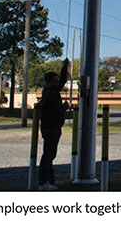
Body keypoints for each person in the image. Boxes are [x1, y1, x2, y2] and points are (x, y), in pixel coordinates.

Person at [38, 58, 69, 190]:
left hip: (52, 126)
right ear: (51, 81)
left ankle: (50, 180)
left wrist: (64, 67)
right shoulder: (51, 93)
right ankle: (44, 182)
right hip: (51, 127)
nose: (59, 82)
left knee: (50, 154)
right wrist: (64, 108)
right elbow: (54, 109)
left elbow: (63, 81)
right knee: (48, 155)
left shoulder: (50, 90)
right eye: (56, 80)